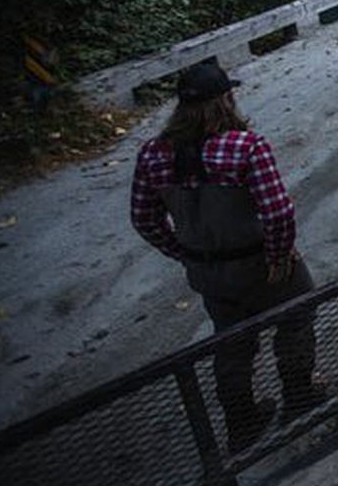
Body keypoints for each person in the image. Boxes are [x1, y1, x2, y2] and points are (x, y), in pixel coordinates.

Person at [130, 61, 321, 452]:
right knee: (297, 315)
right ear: (227, 99)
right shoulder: (245, 146)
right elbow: (278, 211)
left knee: (231, 339)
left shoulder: (152, 154)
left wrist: (183, 253)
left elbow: (144, 219)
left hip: (209, 271)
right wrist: (279, 256)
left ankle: (242, 421)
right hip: (259, 261)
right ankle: (298, 401)